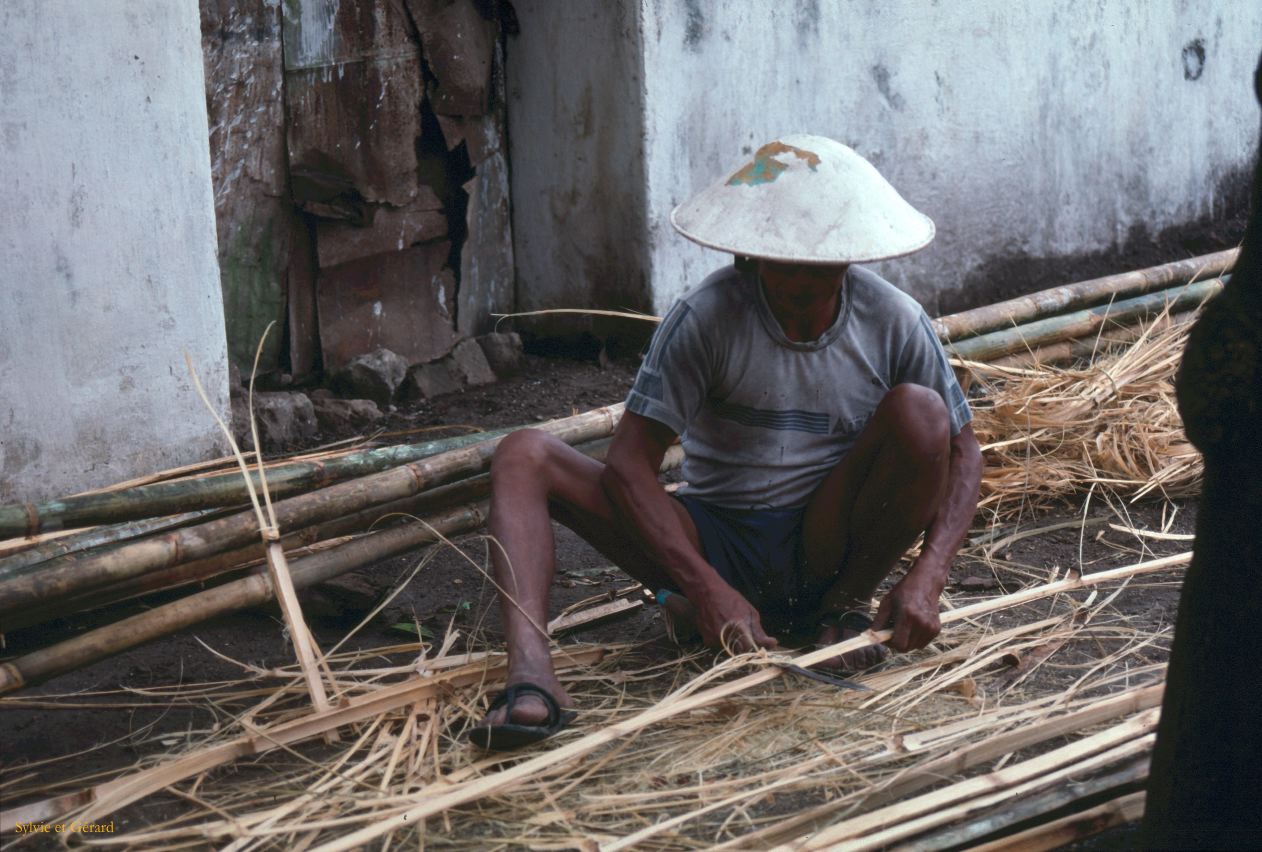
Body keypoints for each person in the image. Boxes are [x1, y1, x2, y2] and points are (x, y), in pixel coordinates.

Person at [468, 135, 983, 750]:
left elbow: (963, 453)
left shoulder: (895, 320)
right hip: (713, 539)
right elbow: (629, 465)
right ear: (751, 258)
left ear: (849, 261)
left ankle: (841, 614)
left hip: (826, 542)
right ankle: (531, 677)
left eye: (818, 272)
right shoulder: (706, 317)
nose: (800, 288)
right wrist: (705, 584)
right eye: (783, 267)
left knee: (923, 413)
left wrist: (930, 573)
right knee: (523, 454)